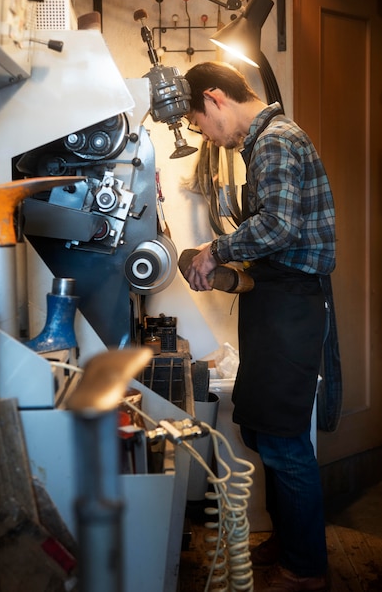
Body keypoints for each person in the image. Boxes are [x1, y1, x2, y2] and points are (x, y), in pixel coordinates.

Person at [181, 61, 335, 592]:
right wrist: (228, 267)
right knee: (260, 427)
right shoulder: (265, 142)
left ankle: (307, 567)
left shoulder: (273, 140)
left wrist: (213, 250)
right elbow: (276, 230)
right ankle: (292, 541)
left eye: (200, 121)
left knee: (284, 437)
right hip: (276, 303)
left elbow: (279, 225)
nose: (205, 134)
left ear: (216, 98)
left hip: (291, 306)